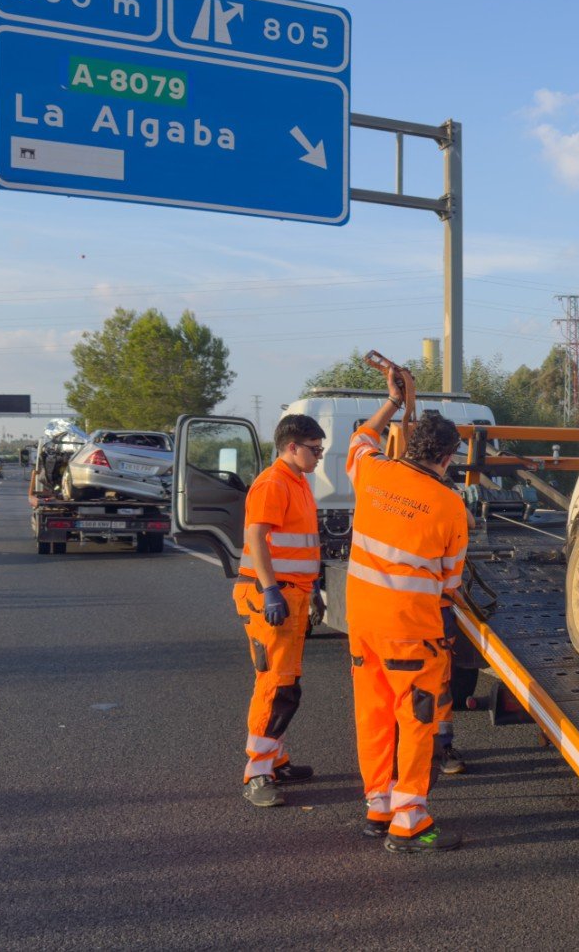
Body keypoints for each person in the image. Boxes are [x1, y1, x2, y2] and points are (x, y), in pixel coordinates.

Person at [345, 364, 469, 853]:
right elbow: (450, 583)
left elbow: (362, 438)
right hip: (410, 633)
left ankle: (378, 807)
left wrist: (393, 402)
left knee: (373, 715)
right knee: (415, 720)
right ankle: (410, 820)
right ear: (448, 456)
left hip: (363, 625)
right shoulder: (449, 506)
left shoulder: (372, 471)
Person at [234, 413, 327, 808]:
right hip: (273, 597)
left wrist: (315, 590)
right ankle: (257, 772)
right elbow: (256, 534)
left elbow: (300, 544)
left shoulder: (298, 481)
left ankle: (276, 759)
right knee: (275, 685)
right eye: (315, 449)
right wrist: (271, 590)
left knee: (286, 682)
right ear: (292, 447)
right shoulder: (274, 483)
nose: (320, 456)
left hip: (293, 595)